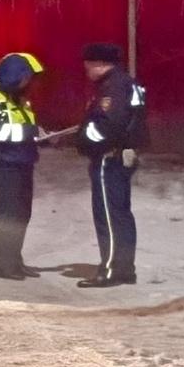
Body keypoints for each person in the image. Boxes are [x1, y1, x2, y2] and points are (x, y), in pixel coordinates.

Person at [70, 40, 147, 287]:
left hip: (108, 158)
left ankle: (112, 270)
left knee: (109, 215)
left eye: (88, 66)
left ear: (99, 65)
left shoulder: (112, 88)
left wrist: (83, 139)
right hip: (122, 156)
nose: (86, 71)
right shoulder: (126, 83)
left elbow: (108, 126)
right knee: (121, 214)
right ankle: (125, 268)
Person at [0, 50, 48, 281]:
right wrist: (33, 133)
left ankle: (15, 261)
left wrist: (43, 138)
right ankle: (2, 266)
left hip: (23, 162)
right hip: (4, 165)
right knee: (7, 215)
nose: (31, 82)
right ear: (16, 75)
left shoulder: (18, 97)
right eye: (27, 77)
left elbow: (23, 129)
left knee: (21, 214)